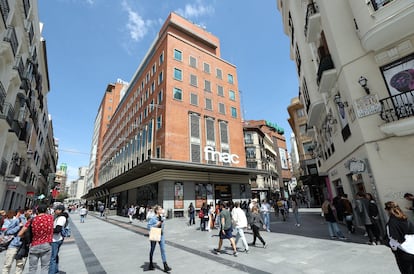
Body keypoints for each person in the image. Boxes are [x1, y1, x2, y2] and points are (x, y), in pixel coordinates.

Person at [18, 204, 54, 274]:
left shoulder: (32, 220)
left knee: (32, 268)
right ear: (46, 210)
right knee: (45, 267)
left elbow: (20, 233)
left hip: (34, 245)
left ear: (37, 211)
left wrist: (25, 237)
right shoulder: (50, 218)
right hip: (46, 244)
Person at [384, 201, 414, 274]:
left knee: (406, 271)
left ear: (388, 210)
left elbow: (394, 238)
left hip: (402, 252)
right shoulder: (405, 218)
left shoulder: (392, 222)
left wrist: (393, 247)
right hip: (412, 248)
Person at [2, 208, 32, 274]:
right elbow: (7, 232)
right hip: (14, 245)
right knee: (8, 264)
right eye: (29, 211)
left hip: (24, 246)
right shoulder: (18, 220)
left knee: (20, 266)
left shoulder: (31, 220)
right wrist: (18, 226)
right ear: (25, 212)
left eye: (32, 211)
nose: (31, 213)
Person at [147, 205, 171, 272]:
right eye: (160, 209)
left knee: (163, 249)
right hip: (155, 233)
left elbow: (163, 223)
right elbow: (148, 226)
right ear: (157, 211)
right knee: (152, 249)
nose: (161, 210)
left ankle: (165, 265)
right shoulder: (153, 218)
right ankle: (151, 263)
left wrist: (163, 218)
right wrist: (156, 225)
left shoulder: (162, 217)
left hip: (161, 234)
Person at [49, 204, 67, 274]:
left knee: (52, 258)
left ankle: (52, 272)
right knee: (55, 256)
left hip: (56, 240)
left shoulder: (61, 218)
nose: (54, 210)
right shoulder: (58, 217)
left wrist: (48, 229)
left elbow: (57, 230)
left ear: (60, 210)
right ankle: (55, 270)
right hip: (55, 239)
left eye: (56, 209)